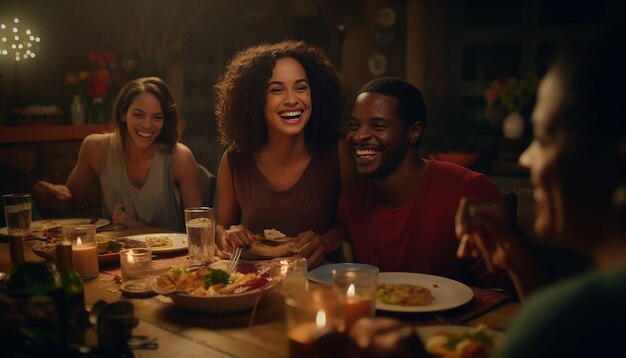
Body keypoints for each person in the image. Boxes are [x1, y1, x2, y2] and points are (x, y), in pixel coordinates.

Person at [455, 28, 626, 356]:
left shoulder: (575, 312)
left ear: (615, 161)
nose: (525, 158)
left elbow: (557, 328)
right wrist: (522, 266)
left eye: (544, 139)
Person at [326, 77, 511, 291]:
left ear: (413, 132)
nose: (359, 136)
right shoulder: (351, 199)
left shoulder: (469, 191)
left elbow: (506, 292)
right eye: (354, 126)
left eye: (378, 125)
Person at [214, 40, 354, 267]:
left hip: (320, 284)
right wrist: (228, 235)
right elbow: (222, 227)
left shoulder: (337, 152)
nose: (291, 100)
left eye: (301, 87)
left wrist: (325, 242)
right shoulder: (235, 159)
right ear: (255, 100)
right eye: (277, 90)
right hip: (255, 285)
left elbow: (354, 225)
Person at [32, 77, 202, 232]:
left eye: (157, 117)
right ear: (123, 114)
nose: (147, 125)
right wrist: (49, 193)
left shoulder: (180, 157)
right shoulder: (95, 148)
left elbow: (198, 230)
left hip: (172, 258)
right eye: (138, 114)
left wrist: (133, 224)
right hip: (116, 255)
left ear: (165, 121)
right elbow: (69, 202)